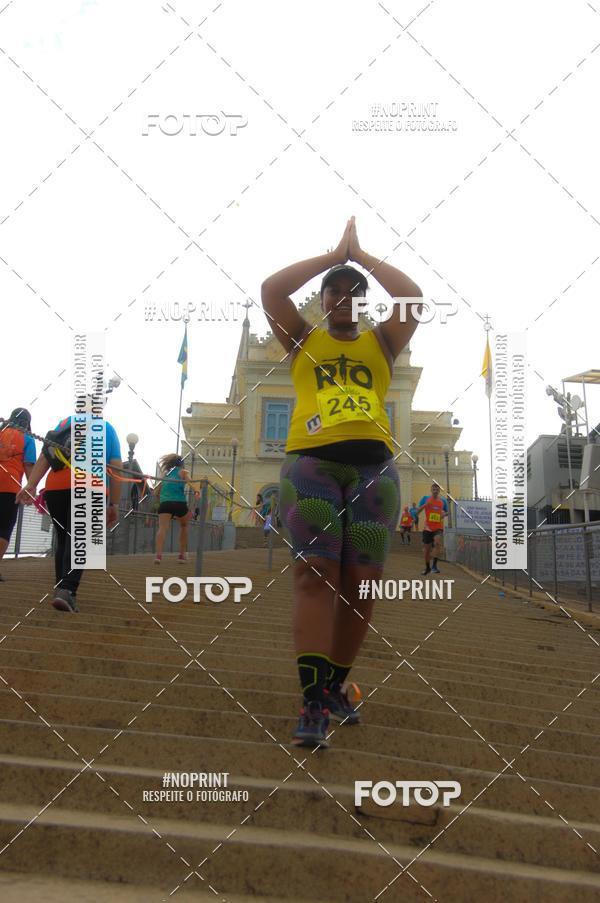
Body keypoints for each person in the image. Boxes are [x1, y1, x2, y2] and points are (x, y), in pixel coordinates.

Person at [261, 216, 422, 747]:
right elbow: (272, 290)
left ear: (364, 302)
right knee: (315, 574)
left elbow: (412, 297)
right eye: (335, 291)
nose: (344, 298)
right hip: (312, 464)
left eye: (355, 292)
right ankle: (312, 701)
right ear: (324, 301)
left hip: (374, 469)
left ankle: (334, 686)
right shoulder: (303, 340)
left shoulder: (382, 343)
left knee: (361, 584)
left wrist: (363, 257)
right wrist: (335, 257)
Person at [17, 402, 122, 611]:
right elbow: (116, 468)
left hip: (56, 488)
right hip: (89, 486)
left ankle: (61, 589)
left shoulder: (64, 424)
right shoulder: (106, 428)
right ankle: (67, 590)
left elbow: (45, 455)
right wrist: (114, 504)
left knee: (65, 540)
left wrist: (31, 484)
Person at [0, 408, 36, 581]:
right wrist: (32, 487)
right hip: (9, 486)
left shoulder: (1, 431)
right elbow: (29, 464)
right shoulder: (27, 438)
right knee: (4, 527)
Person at [153, 453, 193, 564]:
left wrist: (161, 499)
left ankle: (158, 556)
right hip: (180, 503)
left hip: (165, 503)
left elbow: (156, 492)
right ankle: (181, 555)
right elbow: (191, 483)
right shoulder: (184, 472)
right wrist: (197, 490)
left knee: (162, 528)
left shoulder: (165, 474)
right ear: (181, 463)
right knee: (184, 526)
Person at [417, 482, 448, 575]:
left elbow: (447, 512)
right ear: (431, 490)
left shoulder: (443, 501)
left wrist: (444, 514)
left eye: (437, 489)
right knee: (427, 550)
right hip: (428, 527)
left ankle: (434, 566)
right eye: (434, 489)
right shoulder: (425, 498)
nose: (435, 491)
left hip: (438, 526)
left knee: (437, 543)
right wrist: (425, 505)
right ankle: (427, 568)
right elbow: (417, 511)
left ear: (439, 490)